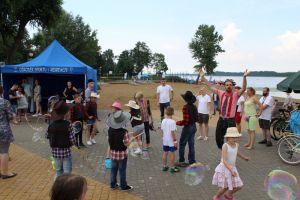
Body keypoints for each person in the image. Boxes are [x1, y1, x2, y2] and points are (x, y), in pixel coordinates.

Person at [202, 70, 249, 149]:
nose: (228, 86)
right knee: (218, 138)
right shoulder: (221, 93)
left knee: (231, 140)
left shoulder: (236, 94)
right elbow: (210, 87)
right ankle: (223, 153)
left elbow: (244, 88)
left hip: (230, 120)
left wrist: (244, 77)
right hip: (221, 119)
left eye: (230, 85)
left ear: (232, 86)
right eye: (227, 85)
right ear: (224, 86)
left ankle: (229, 155)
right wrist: (203, 77)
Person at [212, 127, 250, 200]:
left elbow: (236, 152)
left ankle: (228, 194)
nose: (235, 139)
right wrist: (231, 170)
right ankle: (216, 197)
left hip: (232, 168)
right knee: (225, 187)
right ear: (228, 137)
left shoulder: (236, 145)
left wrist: (244, 157)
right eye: (233, 137)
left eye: (236, 137)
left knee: (239, 186)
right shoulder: (225, 146)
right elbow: (225, 160)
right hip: (225, 168)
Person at [46, 100, 76, 179]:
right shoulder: (68, 125)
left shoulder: (51, 124)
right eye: (68, 111)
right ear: (65, 114)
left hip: (55, 152)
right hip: (66, 152)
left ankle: (58, 188)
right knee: (67, 172)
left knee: (58, 171)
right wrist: (73, 143)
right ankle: (65, 188)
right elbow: (73, 140)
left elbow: (47, 135)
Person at [106, 110, 133, 191]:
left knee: (113, 170)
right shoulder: (124, 132)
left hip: (113, 154)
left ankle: (113, 184)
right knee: (122, 170)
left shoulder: (110, 130)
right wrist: (131, 139)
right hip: (122, 155)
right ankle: (123, 186)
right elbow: (126, 144)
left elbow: (109, 141)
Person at [176, 91, 198, 167]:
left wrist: (177, 123)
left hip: (188, 127)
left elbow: (186, 121)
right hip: (194, 126)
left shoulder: (185, 107)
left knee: (182, 144)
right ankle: (192, 161)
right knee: (191, 144)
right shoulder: (194, 107)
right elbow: (197, 119)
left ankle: (181, 161)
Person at [0, 86, 17, 179]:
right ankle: (5, 172)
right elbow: (10, 115)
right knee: (4, 151)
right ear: (2, 92)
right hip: (3, 129)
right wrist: (14, 119)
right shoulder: (4, 102)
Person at [161, 106, 180, 173]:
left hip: (165, 139)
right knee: (172, 153)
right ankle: (172, 167)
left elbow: (162, 130)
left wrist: (163, 137)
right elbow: (173, 133)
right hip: (171, 140)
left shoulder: (163, 120)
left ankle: (164, 166)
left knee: (165, 152)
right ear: (172, 113)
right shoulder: (172, 122)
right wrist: (175, 141)